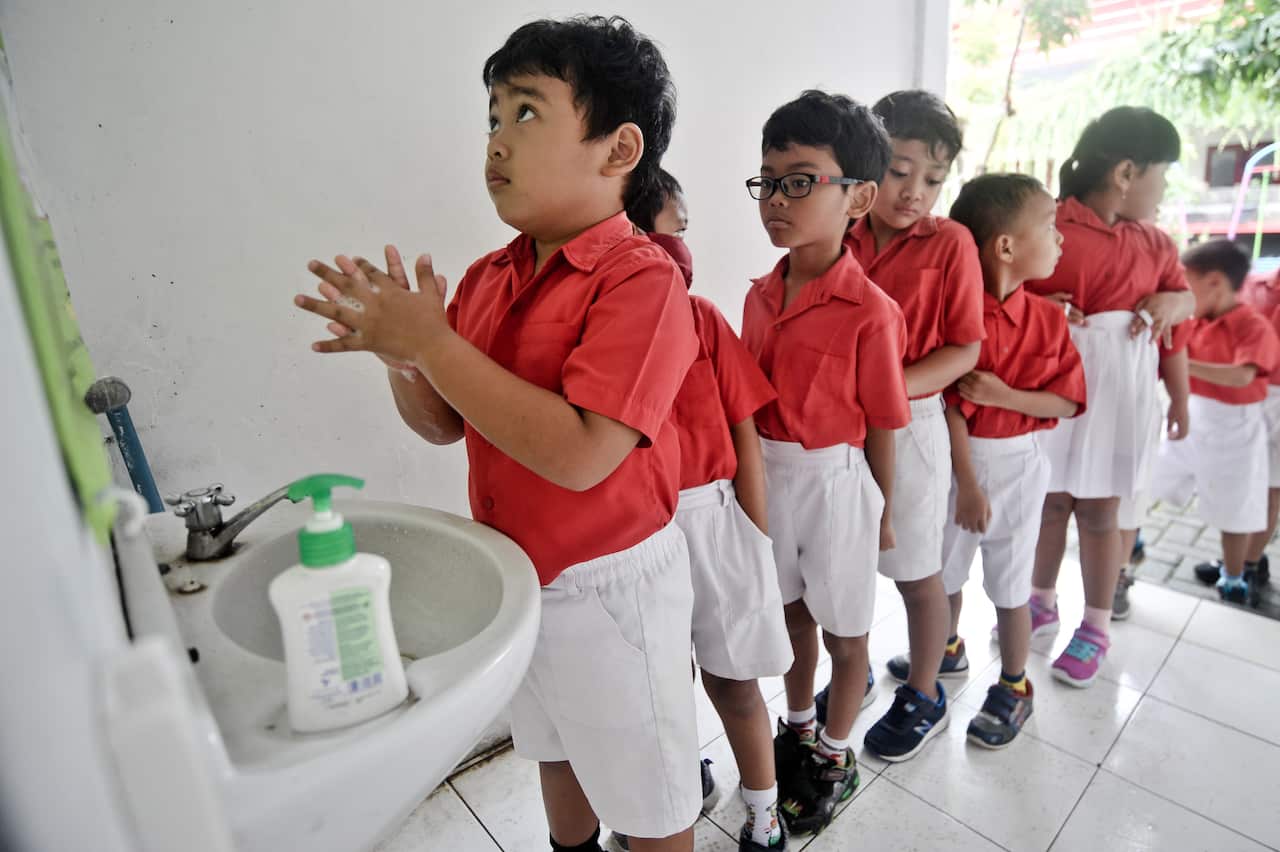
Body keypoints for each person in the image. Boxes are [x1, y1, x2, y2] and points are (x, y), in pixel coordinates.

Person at [294, 17, 702, 852]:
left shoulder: (642, 280)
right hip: (519, 577)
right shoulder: (490, 276)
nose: (496, 143)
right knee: (554, 750)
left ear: (618, 150)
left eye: (526, 113)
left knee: (649, 795)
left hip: (611, 590)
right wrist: (404, 359)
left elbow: (585, 456)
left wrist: (434, 343)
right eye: (490, 116)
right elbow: (445, 425)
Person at [739, 90, 908, 835]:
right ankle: (799, 726)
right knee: (789, 614)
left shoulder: (872, 311)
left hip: (838, 484)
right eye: (769, 181)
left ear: (859, 198)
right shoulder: (757, 296)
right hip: (772, 478)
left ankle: (837, 754)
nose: (778, 198)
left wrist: (884, 510)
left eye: (801, 180)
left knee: (845, 629)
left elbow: (882, 425)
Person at [617, 171, 793, 852]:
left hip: (714, 520)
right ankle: (682, 780)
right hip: (640, 530)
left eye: (683, 233)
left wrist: (754, 532)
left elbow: (744, 430)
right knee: (661, 682)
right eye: (677, 227)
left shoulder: (703, 318)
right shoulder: (600, 331)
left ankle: (765, 807)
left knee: (734, 677)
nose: (682, 244)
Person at [816, 90, 984, 763]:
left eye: (934, 179)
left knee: (918, 570)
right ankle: (848, 673)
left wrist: (884, 388)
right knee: (842, 564)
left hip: (911, 425)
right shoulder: (836, 232)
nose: (916, 191)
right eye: (900, 170)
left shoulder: (951, 245)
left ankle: (924, 690)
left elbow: (965, 349)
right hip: (837, 424)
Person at [1021, 107, 1194, 688]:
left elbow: (1179, 320)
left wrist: (1182, 396)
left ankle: (1094, 626)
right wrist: (1039, 309)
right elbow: (995, 292)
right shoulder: (1047, 225)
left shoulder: (1157, 244)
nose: (1164, 190)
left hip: (1121, 398)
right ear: (1126, 171)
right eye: (1161, 175)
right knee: (1048, 501)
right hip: (1054, 388)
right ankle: (1038, 600)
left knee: (1100, 512)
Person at [945, 173, 1087, 747]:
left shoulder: (1050, 320)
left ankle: (1013, 683)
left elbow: (1067, 399)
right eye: (1050, 228)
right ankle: (945, 649)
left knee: (1009, 580)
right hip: (959, 466)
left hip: (1021, 464)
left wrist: (1004, 397)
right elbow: (948, 407)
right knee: (944, 568)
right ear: (1005, 246)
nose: (1060, 241)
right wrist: (969, 485)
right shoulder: (957, 317)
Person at [1153, 240, 1280, 605]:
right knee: (1156, 477)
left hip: (1238, 427)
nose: (1183, 294)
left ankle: (1235, 575)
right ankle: (1135, 543)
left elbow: (1242, 376)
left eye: (1186, 284)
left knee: (1236, 506)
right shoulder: (1194, 324)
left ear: (1214, 282)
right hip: (1194, 413)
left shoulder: (1253, 326)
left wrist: (1181, 365)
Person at [1194, 264, 1280, 589]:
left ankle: (1249, 564)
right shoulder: (1252, 284)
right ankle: (1234, 561)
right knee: (1245, 483)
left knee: (1271, 487)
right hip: (1244, 398)